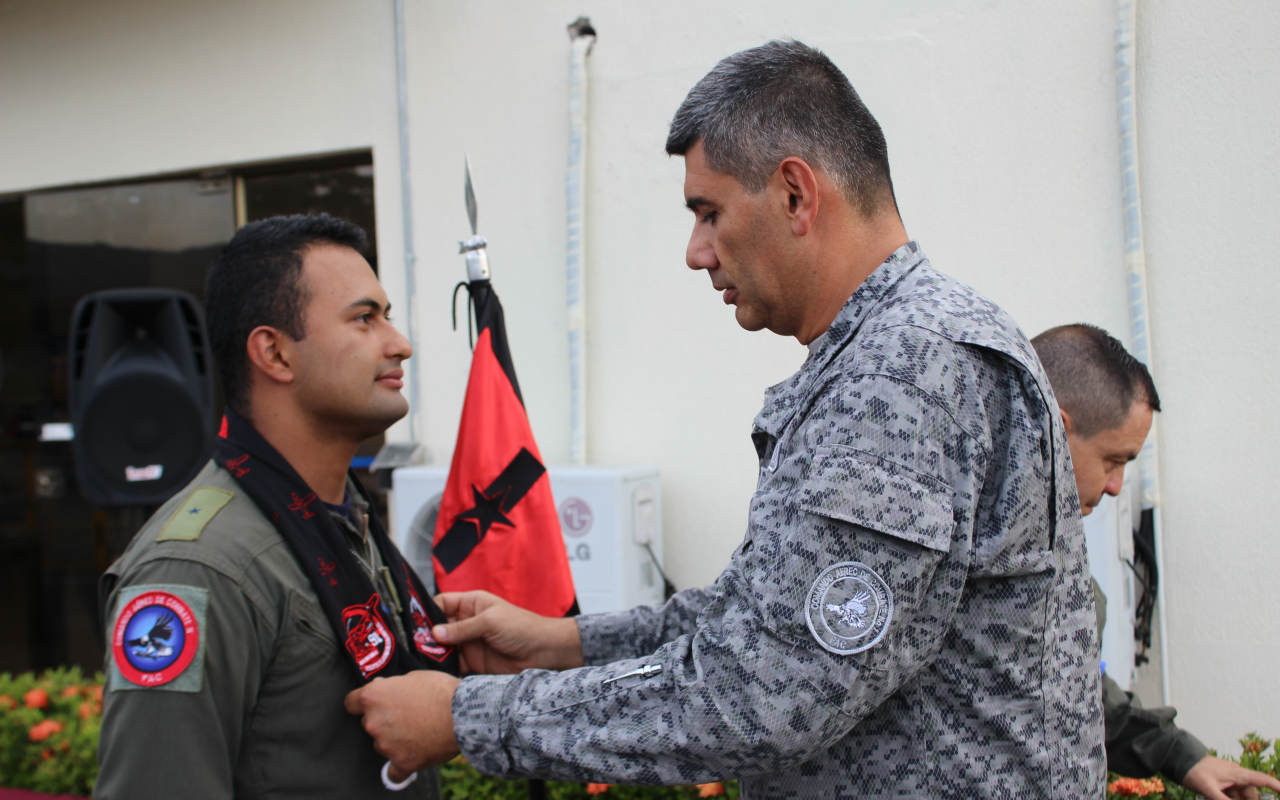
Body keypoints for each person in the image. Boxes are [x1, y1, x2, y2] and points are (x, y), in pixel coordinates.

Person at [347, 40, 1104, 798]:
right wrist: (566, 643)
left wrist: (471, 719)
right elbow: (766, 619)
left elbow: (763, 694)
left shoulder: (903, 370)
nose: (695, 252)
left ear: (796, 196)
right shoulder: (897, 350)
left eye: (709, 213)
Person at [96, 214, 458, 800]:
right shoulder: (199, 569)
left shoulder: (346, 521)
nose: (400, 344)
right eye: (365, 319)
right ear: (275, 354)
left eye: (387, 317)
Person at [1033, 324, 1280, 800]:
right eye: (1112, 459)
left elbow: (1071, 686)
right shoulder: (959, 542)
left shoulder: (1053, 540)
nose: (1116, 486)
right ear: (1053, 427)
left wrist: (1180, 757)